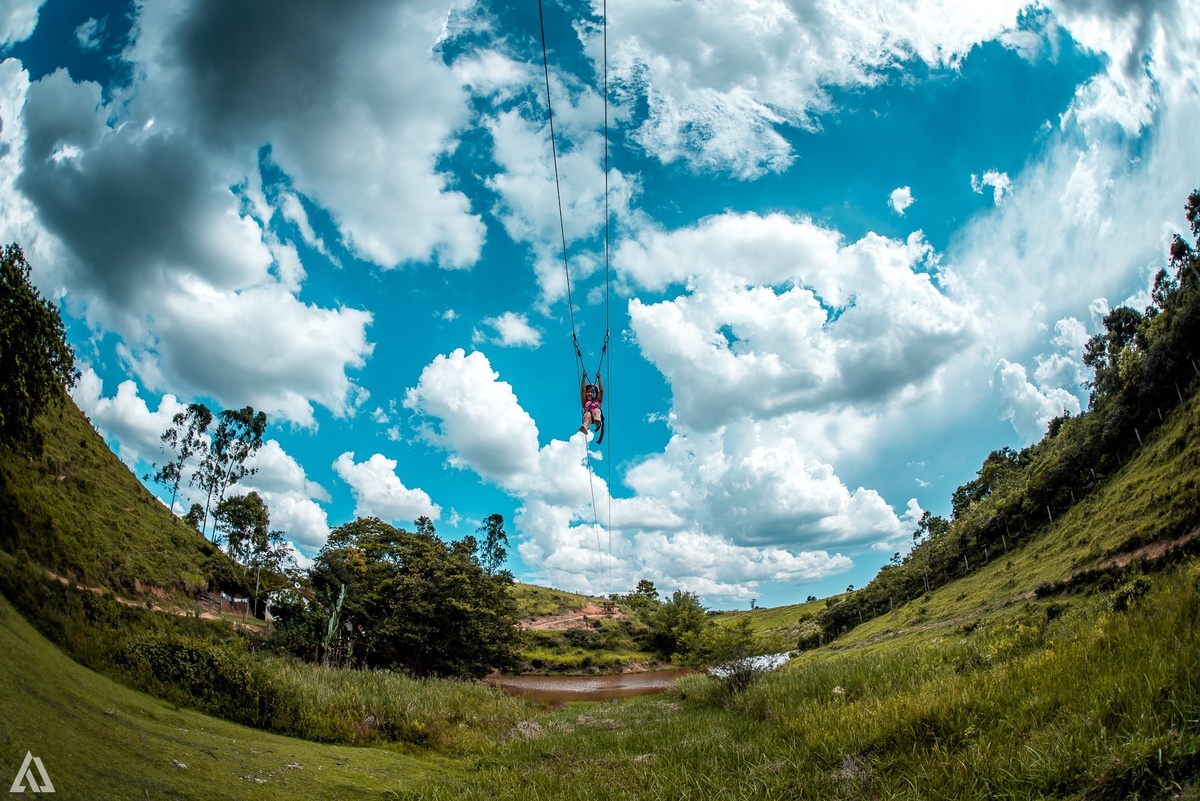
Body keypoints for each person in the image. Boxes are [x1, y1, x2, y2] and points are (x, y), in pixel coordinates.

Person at [578, 371, 604, 442]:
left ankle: (597, 421)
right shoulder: (585, 402)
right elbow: (583, 390)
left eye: (592, 392)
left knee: (596, 411)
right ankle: (585, 426)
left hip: (596, 415)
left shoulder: (598, 400)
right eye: (588, 392)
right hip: (588, 415)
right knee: (587, 415)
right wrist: (583, 378)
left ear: (596, 394)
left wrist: (599, 378)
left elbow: (601, 390)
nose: (589, 393)